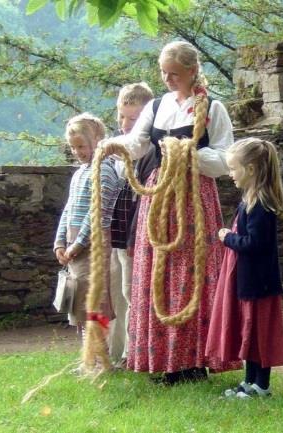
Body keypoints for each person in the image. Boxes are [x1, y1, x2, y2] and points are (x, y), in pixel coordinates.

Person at [99, 40, 238, 384]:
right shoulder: (158, 106)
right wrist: (115, 146)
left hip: (194, 197)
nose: (167, 79)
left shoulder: (213, 108)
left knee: (192, 276)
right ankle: (161, 359)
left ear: (192, 71)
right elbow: (138, 142)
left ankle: (192, 362)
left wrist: (190, 154)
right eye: (163, 72)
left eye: (173, 73)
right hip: (159, 197)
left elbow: (225, 158)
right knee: (156, 276)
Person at [206, 137, 283, 398]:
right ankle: (249, 382)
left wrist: (226, 238)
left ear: (250, 170)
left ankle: (261, 386)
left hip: (260, 284)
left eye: (233, 168)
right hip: (249, 282)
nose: (230, 174)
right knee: (248, 335)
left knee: (259, 337)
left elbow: (255, 243)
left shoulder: (262, 206)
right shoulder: (249, 202)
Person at [54, 113, 122, 344]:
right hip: (74, 245)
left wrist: (79, 243)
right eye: (73, 148)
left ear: (98, 140)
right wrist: (60, 242)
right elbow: (68, 209)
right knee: (78, 298)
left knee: (94, 300)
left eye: (81, 146)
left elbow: (99, 212)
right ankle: (87, 352)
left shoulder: (104, 170)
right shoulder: (79, 173)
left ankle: (99, 350)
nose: (77, 152)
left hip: (93, 245)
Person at [107, 82, 157, 367]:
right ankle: (118, 350)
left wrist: (132, 240)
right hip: (117, 233)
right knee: (118, 294)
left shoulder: (150, 153)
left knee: (132, 292)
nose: (125, 125)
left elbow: (142, 201)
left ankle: (133, 352)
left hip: (133, 235)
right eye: (121, 118)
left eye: (133, 119)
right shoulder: (119, 148)